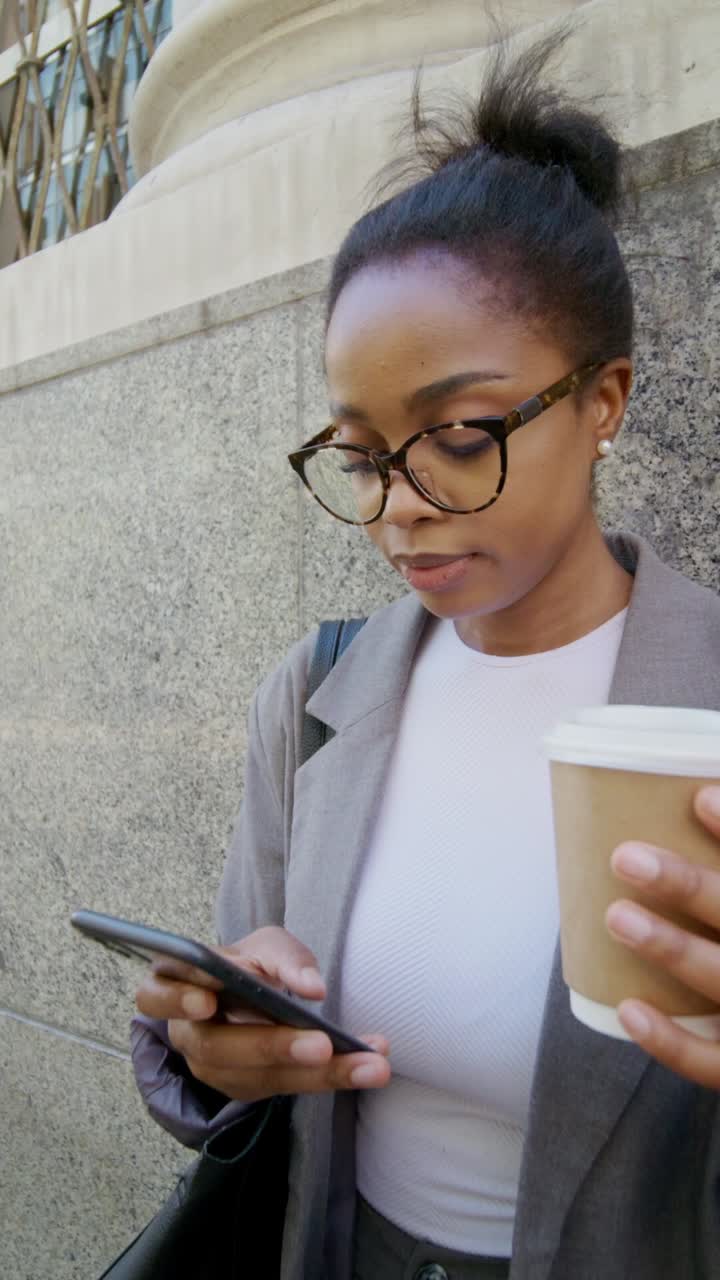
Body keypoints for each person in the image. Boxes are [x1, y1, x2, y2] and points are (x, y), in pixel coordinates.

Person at [132, 29, 720, 1280]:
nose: (397, 502)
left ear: (602, 399)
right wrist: (218, 1045)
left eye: (456, 435)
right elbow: (242, 1003)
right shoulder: (318, 689)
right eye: (358, 453)